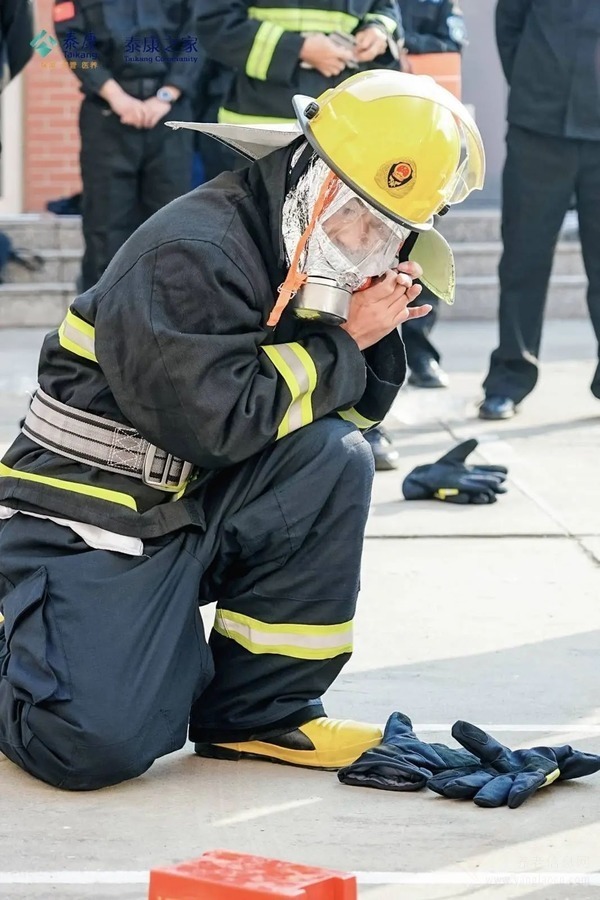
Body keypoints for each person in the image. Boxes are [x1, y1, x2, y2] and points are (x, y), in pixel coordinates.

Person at [0, 70, 484, 790]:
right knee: (89, 743)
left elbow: (344, 414)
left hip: (180, 508)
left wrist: (369, 332)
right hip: (86, 515)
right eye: (358, 214)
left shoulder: (301, 249)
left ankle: (258, 714)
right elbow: (218, 425)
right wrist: (344, 342)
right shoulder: (194, 253)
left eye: (388, 230)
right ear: (311, 175)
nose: (364, 242)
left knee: (335, 457)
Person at [480, 0, 600, 420]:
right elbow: (508, 25)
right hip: (539, 128)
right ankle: (509, 379)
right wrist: (534, 84)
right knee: (523, 260)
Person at [53, 0, 198, 292]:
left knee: (173, 223)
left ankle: (169, 319)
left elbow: (197, 34)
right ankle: (101, 322)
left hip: (170, 114)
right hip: (107, 116)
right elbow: (73, 41)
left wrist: (166, 95)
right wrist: (117, 97)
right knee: (105, 228)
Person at [396, 0, 467, 391]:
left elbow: (450, 44)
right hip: (369, 134)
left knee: (421, 246)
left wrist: (402, 45)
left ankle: (420, 353)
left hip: (425, 135)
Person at [195, 0, 403, 126]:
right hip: (264, 123)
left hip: (345, 120)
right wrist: (298, 49)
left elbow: (386, 8)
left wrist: (378, 30)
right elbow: (215, 23)